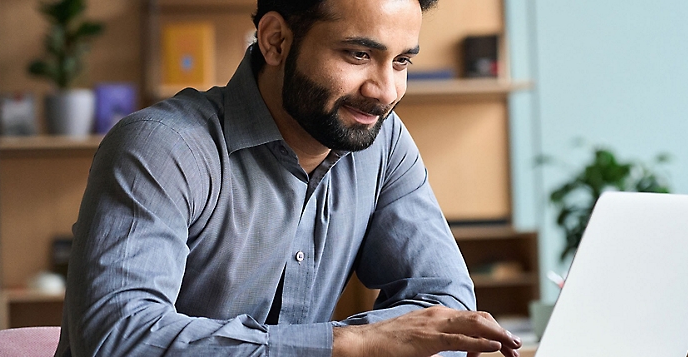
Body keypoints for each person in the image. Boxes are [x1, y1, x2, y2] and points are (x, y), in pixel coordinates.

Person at [55, 0, 522, 356]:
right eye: (359, 55)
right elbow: (119, 336)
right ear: (276, 40)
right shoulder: (164, 146)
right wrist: (350, 344)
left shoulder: (382, 142)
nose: (386, 92)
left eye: (401, 62)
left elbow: (445, 303)